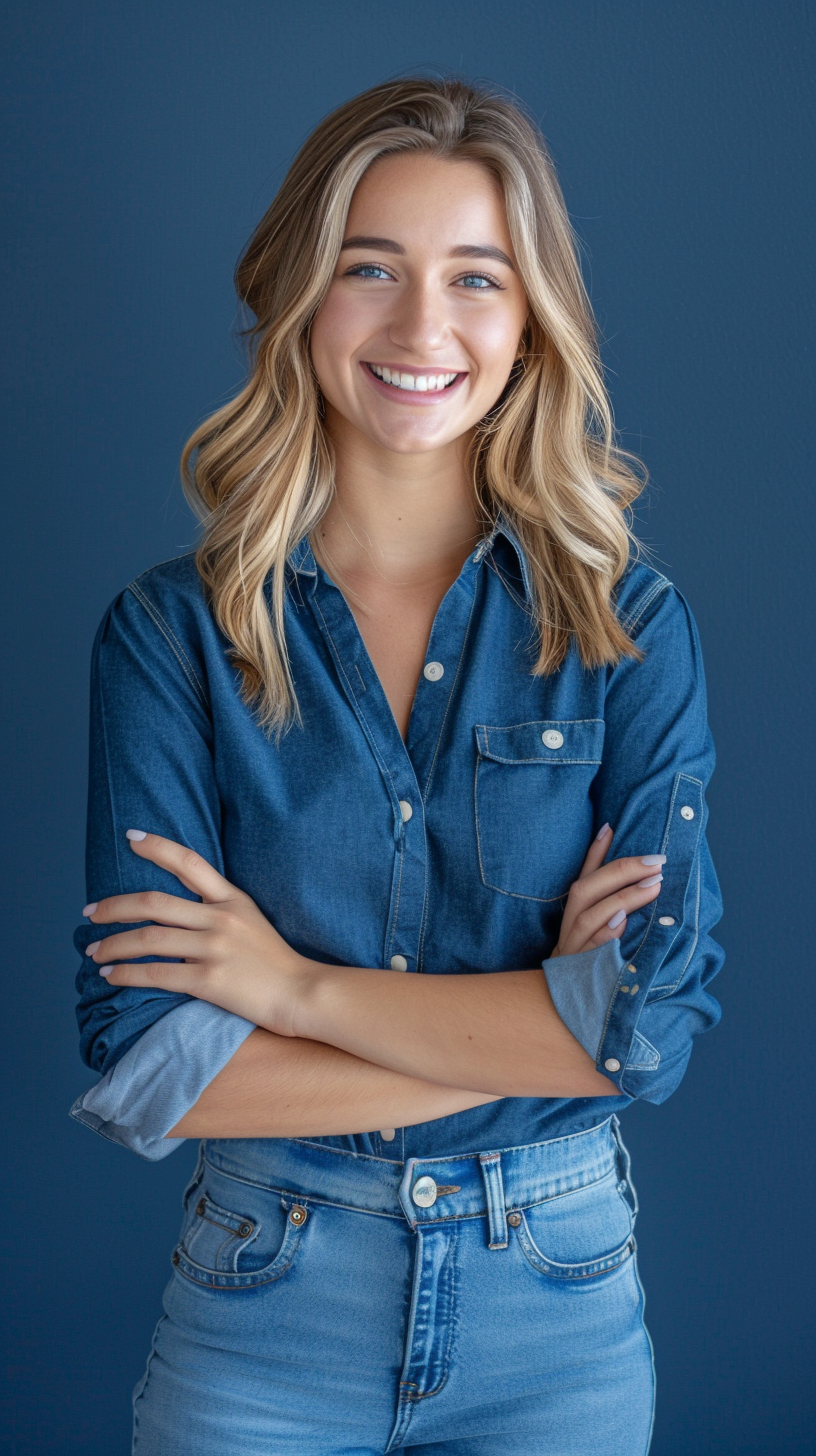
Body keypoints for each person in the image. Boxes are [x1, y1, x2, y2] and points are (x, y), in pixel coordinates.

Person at [71, 76, 724, 1455]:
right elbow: (155, 1070)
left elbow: (652, 1028)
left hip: (559, 1306)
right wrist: (549, 1022)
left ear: (530, 319)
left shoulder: (628, 630)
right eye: (371, 269)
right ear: (302, 297)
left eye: (475, 278)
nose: (423, 327)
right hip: (263, 1307)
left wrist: (294, 991)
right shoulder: (169, 639)